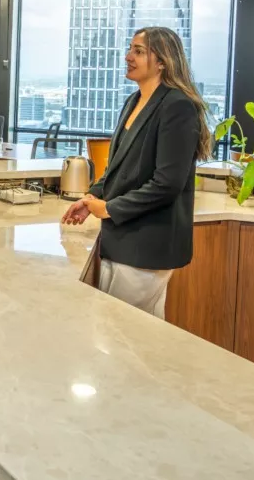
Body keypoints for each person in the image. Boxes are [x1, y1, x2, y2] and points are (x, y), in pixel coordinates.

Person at [61, 26, 210, 318]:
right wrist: (92, 197)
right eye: (130, 49)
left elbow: (167, 183)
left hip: (147, 246)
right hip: (123, 240)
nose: (128, 56)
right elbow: (117, 165)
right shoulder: (133, 101)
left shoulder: (177, 106)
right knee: (138, 342)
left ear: (163, 61)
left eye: (139, 51)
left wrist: (110, 209)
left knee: (117, 336)